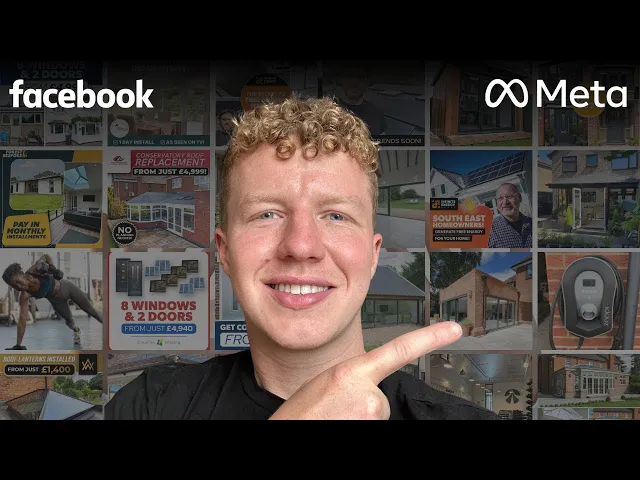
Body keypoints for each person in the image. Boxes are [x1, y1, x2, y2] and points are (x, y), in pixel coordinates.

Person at [105, 96, 500, 420]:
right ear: (224, 252)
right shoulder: (147, 406)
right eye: (267, 214)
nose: (300, 245)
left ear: (373, 254)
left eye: (336, 216)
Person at [2, 254, 104, 350]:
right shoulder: (24, 296)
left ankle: (109, 326)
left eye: (18, 282)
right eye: (15, 286)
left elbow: (46, 256)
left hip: (67, 288)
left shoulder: (36, 269)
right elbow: (22, 320)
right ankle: (76, 330)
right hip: (56, 301)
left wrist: (52, 267)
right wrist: (18, 345)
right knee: (69, 320)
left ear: (21, 274)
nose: (19, 287)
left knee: (92, 311)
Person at [487, 183, 533, 248]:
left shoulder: (533, 224)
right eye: (500, 198)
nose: (505, 202)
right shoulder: (489, 230)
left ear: (520, 198)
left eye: (509, 196)